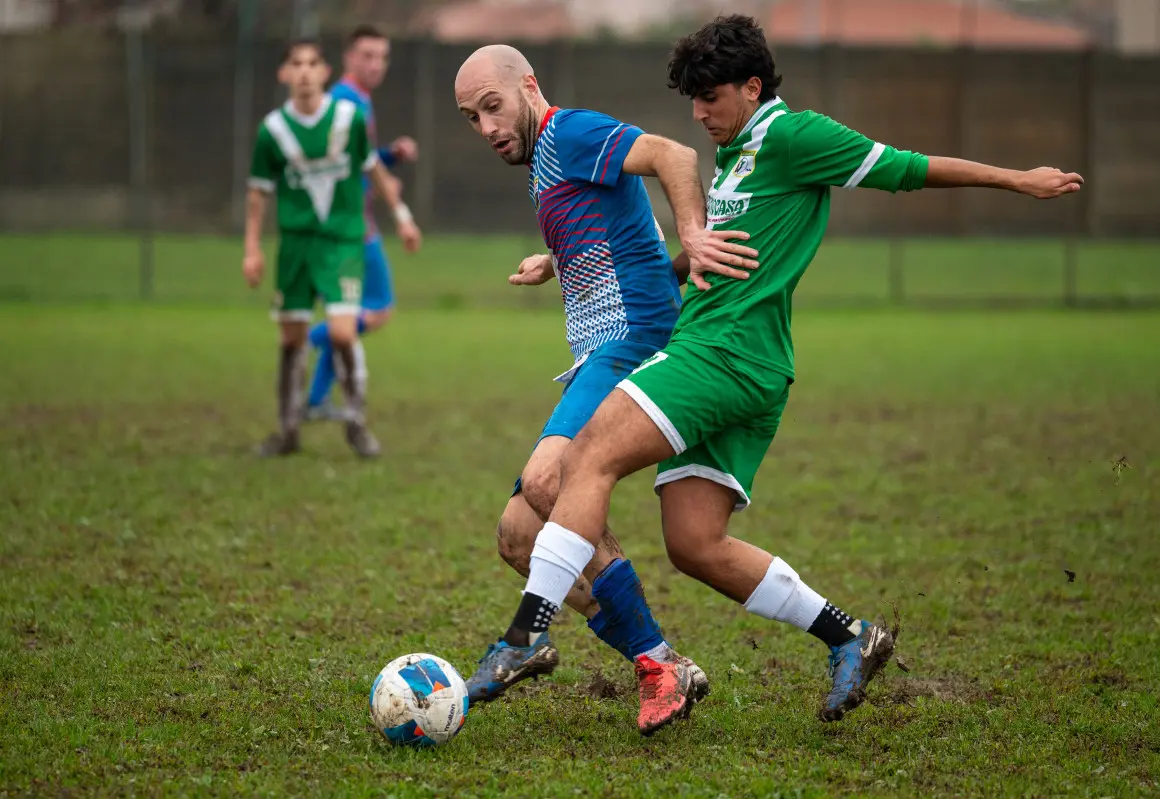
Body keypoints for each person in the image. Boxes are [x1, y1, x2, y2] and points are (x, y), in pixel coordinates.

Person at [472, 15, 1084, 729]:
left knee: (587, 459)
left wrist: (1018, 180)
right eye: (692, 100)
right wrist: (578, 260)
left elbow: (907, 168)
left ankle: (524, 635)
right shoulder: (738, 157)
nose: (699, 115)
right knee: (695, 544)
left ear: (753, 86)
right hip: (745, 363)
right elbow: (705, 256)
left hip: (723, 354)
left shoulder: (795, 137)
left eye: (710, 97)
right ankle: (851, 636)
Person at [452, 44, 758, 736]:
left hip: (633, 342)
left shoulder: (568, 131)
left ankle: (625, 660)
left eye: (493, 106)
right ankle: (658, 657)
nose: (486, 127)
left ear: (528, 87)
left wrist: (695, 233)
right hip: (604, 347)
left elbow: (674, 156)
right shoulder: (543, 162)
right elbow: (629, 243)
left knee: (547, 480)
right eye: (471, 118)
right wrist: (557, 260)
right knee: (518, 536)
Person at [243, 39, 420, 458]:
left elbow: (371, 169)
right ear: (283, 74)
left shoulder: (347, 119)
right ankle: (287, 432)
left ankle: (356, 425)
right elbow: (257, 193)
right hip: (296, 247)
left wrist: (403, 217)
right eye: (295, 64)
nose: (304, 71)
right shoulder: (273, 131)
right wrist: (252, 248)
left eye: (312, 63)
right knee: (290, 340)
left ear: (325, 72)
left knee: (343, 331)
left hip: (341, 242)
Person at [305, 24, 423, 424]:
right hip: (351, 227)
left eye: (382, 56)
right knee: (379, 309)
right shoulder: (344, 101)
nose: (376, 64)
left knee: (351, 312)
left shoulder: (355, 100)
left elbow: (357, 160)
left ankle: (316, 401)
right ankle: (303, 339)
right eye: (367, 55)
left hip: (349, 223)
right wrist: (399, 211)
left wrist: (388, 157)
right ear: (348, 58)